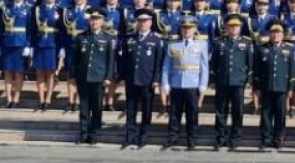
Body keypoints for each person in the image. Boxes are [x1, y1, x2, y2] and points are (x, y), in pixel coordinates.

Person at [160, 15, 210, 150]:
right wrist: (165, 84)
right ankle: (173, 137)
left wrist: (203, 85)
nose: (187, 30)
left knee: (192, 114)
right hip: (176, 83)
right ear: (180, 29)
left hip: (193, 84)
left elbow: (204, 67)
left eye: (190, 28)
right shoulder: (173, 45)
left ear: (195, 29)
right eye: (184, 28)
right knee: (174, 114)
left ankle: (191, 139)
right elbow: (166, 66)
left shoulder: (202, 45)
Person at [70, 8, 117, 145]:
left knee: (96, 107)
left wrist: (108, 77)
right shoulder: (81, 37)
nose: (94, 22)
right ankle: (83, 133)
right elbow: (76, 58)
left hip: (99, 77)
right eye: (92, 19)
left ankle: (94, 133)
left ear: (102, 21)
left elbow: (110, 60)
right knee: (84, 107)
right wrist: (73, 74)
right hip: (83, 77)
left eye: (97, 19)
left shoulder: (108, 38)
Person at [120, 8, 164, 149]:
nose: (143, 24)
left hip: (147, 80)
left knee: (146, 110)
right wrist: (123, 76)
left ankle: (144, 135)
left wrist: (156, 79)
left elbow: (158, 61)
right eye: (140, 21)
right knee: (131, 109)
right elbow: (125, 60)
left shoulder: (156, 40)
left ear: (151, 22)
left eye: (145, 21)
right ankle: (130, 136)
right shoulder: (130, 38)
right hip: (132, 79)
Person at [211, 15, 254, 151]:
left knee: (237, 111)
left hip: (238, 82)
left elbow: (250, 64)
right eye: (231, 26)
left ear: (240, 28)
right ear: (227, 27)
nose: (233, 28)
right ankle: (221, 138)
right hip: (223, 81)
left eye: (236, 26)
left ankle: (235, 138)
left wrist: (249, 81)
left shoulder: (246, 43)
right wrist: (213, 80)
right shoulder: (220, 43)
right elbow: (214, 64)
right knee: (220, 111)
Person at [252, 22, 295, 150]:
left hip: (282, 87)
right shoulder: (261, 48)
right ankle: (266, 138)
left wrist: (290, 88)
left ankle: (278, 138)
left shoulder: (289, 49)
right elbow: (256, 71)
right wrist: (256, 88)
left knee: (280, 114)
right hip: (266, 87)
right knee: (266, 114)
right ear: (269, 34)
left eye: (278, 33)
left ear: (283, 34)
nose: (275, 35)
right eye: (273, 32)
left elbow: (292, 71)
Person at [0, 0, 33, 109]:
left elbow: (30, 29)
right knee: (7, 72)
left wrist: (28, 45)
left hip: (21, 44)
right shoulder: (5, 8)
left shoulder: (28, 9)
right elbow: (0, 28)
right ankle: (8, 99)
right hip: (7, 43)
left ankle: (16, 99)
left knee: (19, 72)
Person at [30, 0, 63, 112]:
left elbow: (62, 32)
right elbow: (32, 29)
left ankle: (48, 99)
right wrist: (31, 46)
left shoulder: (60, 10)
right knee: (39, 73)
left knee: (50, 74)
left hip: (53, 45)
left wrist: (61, 48)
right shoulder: (37, 10)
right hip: (39, 44)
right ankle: (41, 99)